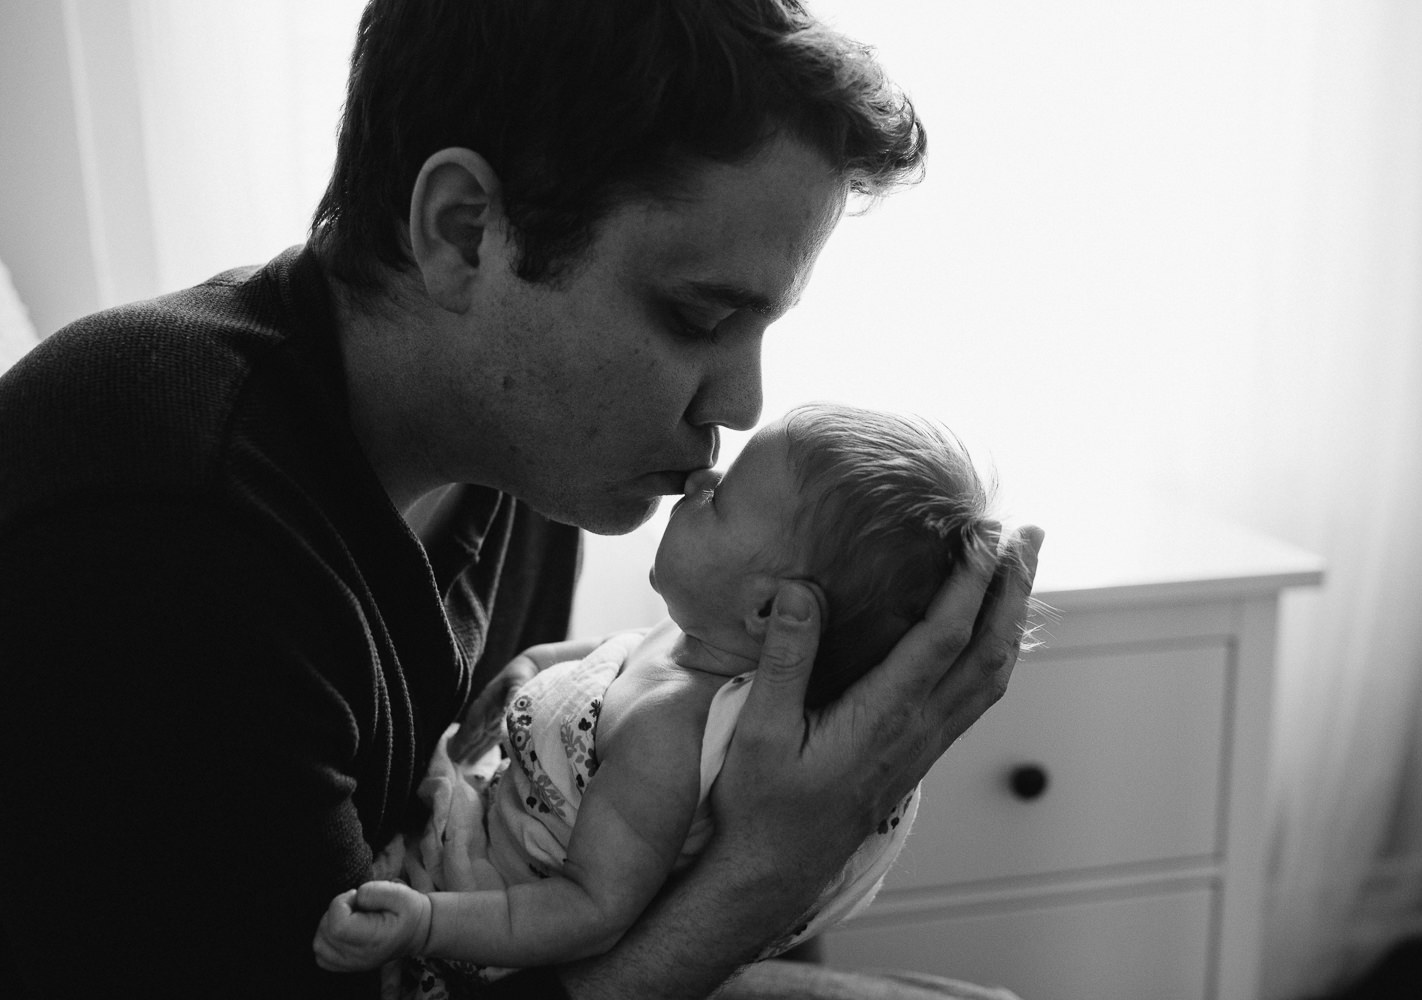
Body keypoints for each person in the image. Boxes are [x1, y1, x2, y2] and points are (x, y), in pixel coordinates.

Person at [0, 2, 1042, 998]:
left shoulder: (526, 448)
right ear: (463, 232)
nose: (740, 403)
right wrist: (767, 873)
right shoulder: (168, 521)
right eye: (695, 314)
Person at [312, 402, 1027, 995]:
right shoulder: (703, 641)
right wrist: (541, 662)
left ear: (771, 614)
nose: (700, 479)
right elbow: (626, 653)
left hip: (482, 921)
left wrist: (425, 921)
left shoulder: (667, 736)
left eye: (722, 500)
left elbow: (588, 910)